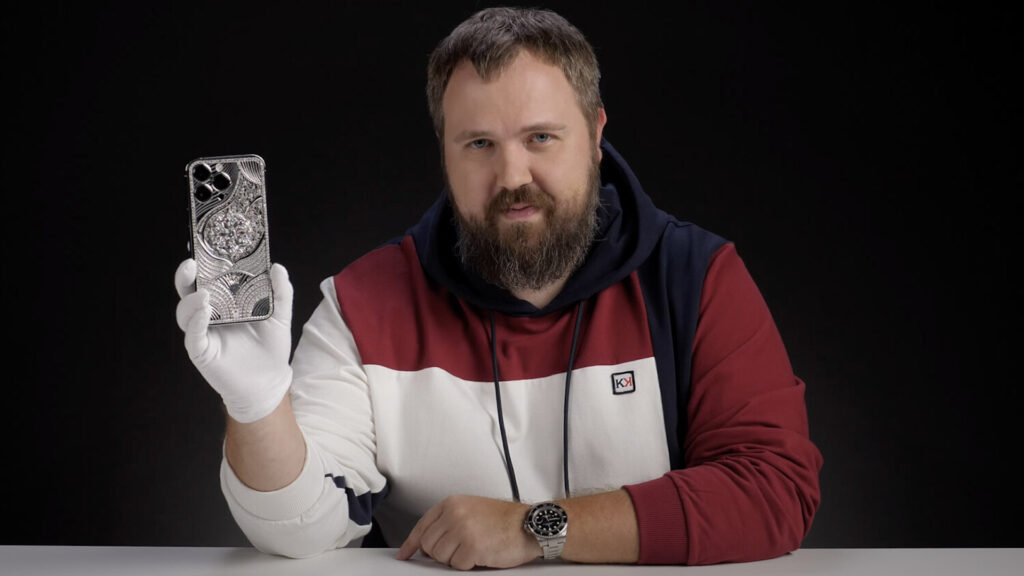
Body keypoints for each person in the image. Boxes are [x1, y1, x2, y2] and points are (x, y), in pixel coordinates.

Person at [174, 6, 823, 570]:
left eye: (540, 138)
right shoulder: (364, 305)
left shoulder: (695, 276)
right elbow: (299, 530)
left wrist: (535, 528)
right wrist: (257, 406)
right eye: (479, 144)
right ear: (445, 152)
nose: (512, 175)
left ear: (596, 135)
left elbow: (775, 491)